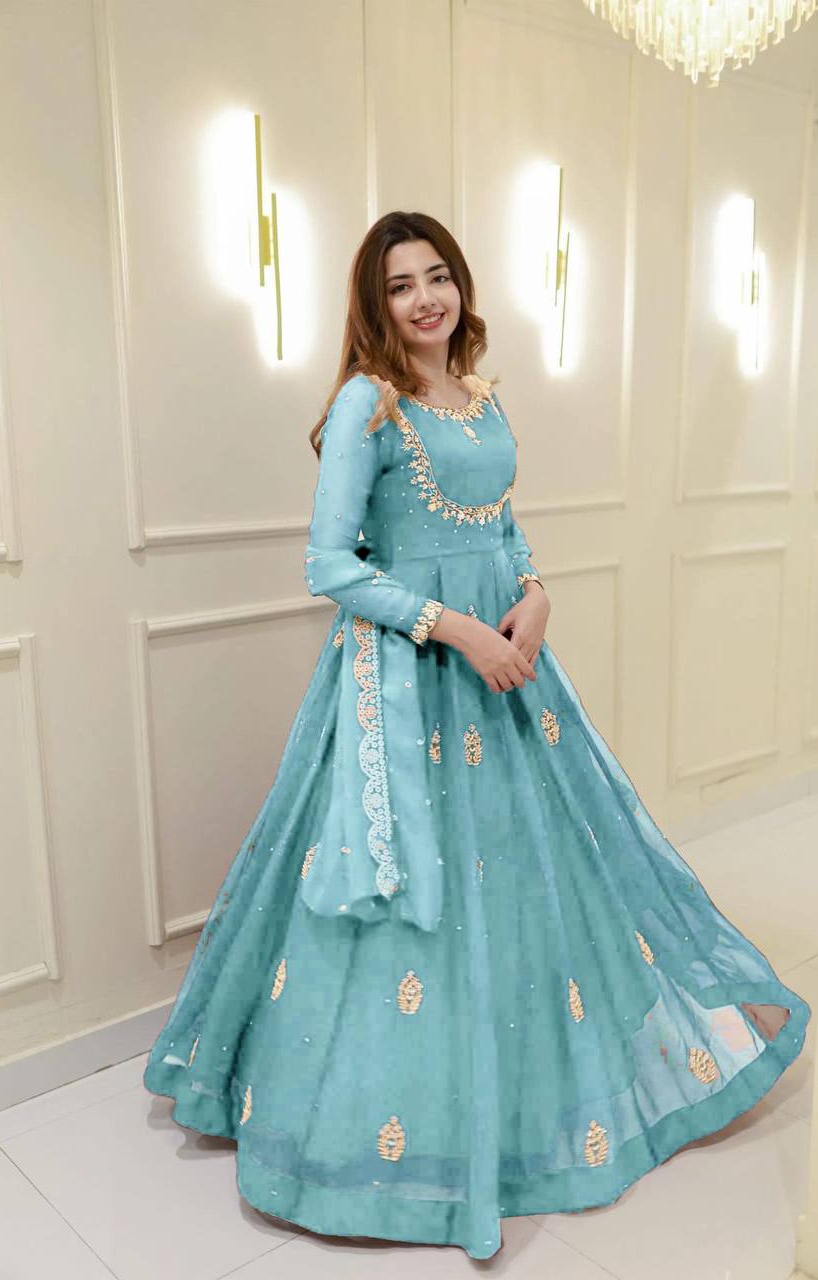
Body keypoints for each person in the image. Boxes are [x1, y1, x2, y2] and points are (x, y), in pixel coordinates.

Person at [143, 210, 811, 1261]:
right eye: (400, 284)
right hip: (410, 680)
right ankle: (391, 1130)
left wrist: (535, 596)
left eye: (438, 276)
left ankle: (529, 1083)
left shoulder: (481, 398)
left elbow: (503, 527)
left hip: (507, 672)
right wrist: (455, 630)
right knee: (408, 894)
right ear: (376, 304)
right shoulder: (368, 402)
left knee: (528, 871)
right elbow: (328, 563)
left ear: (461, 286)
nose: (425, 298)